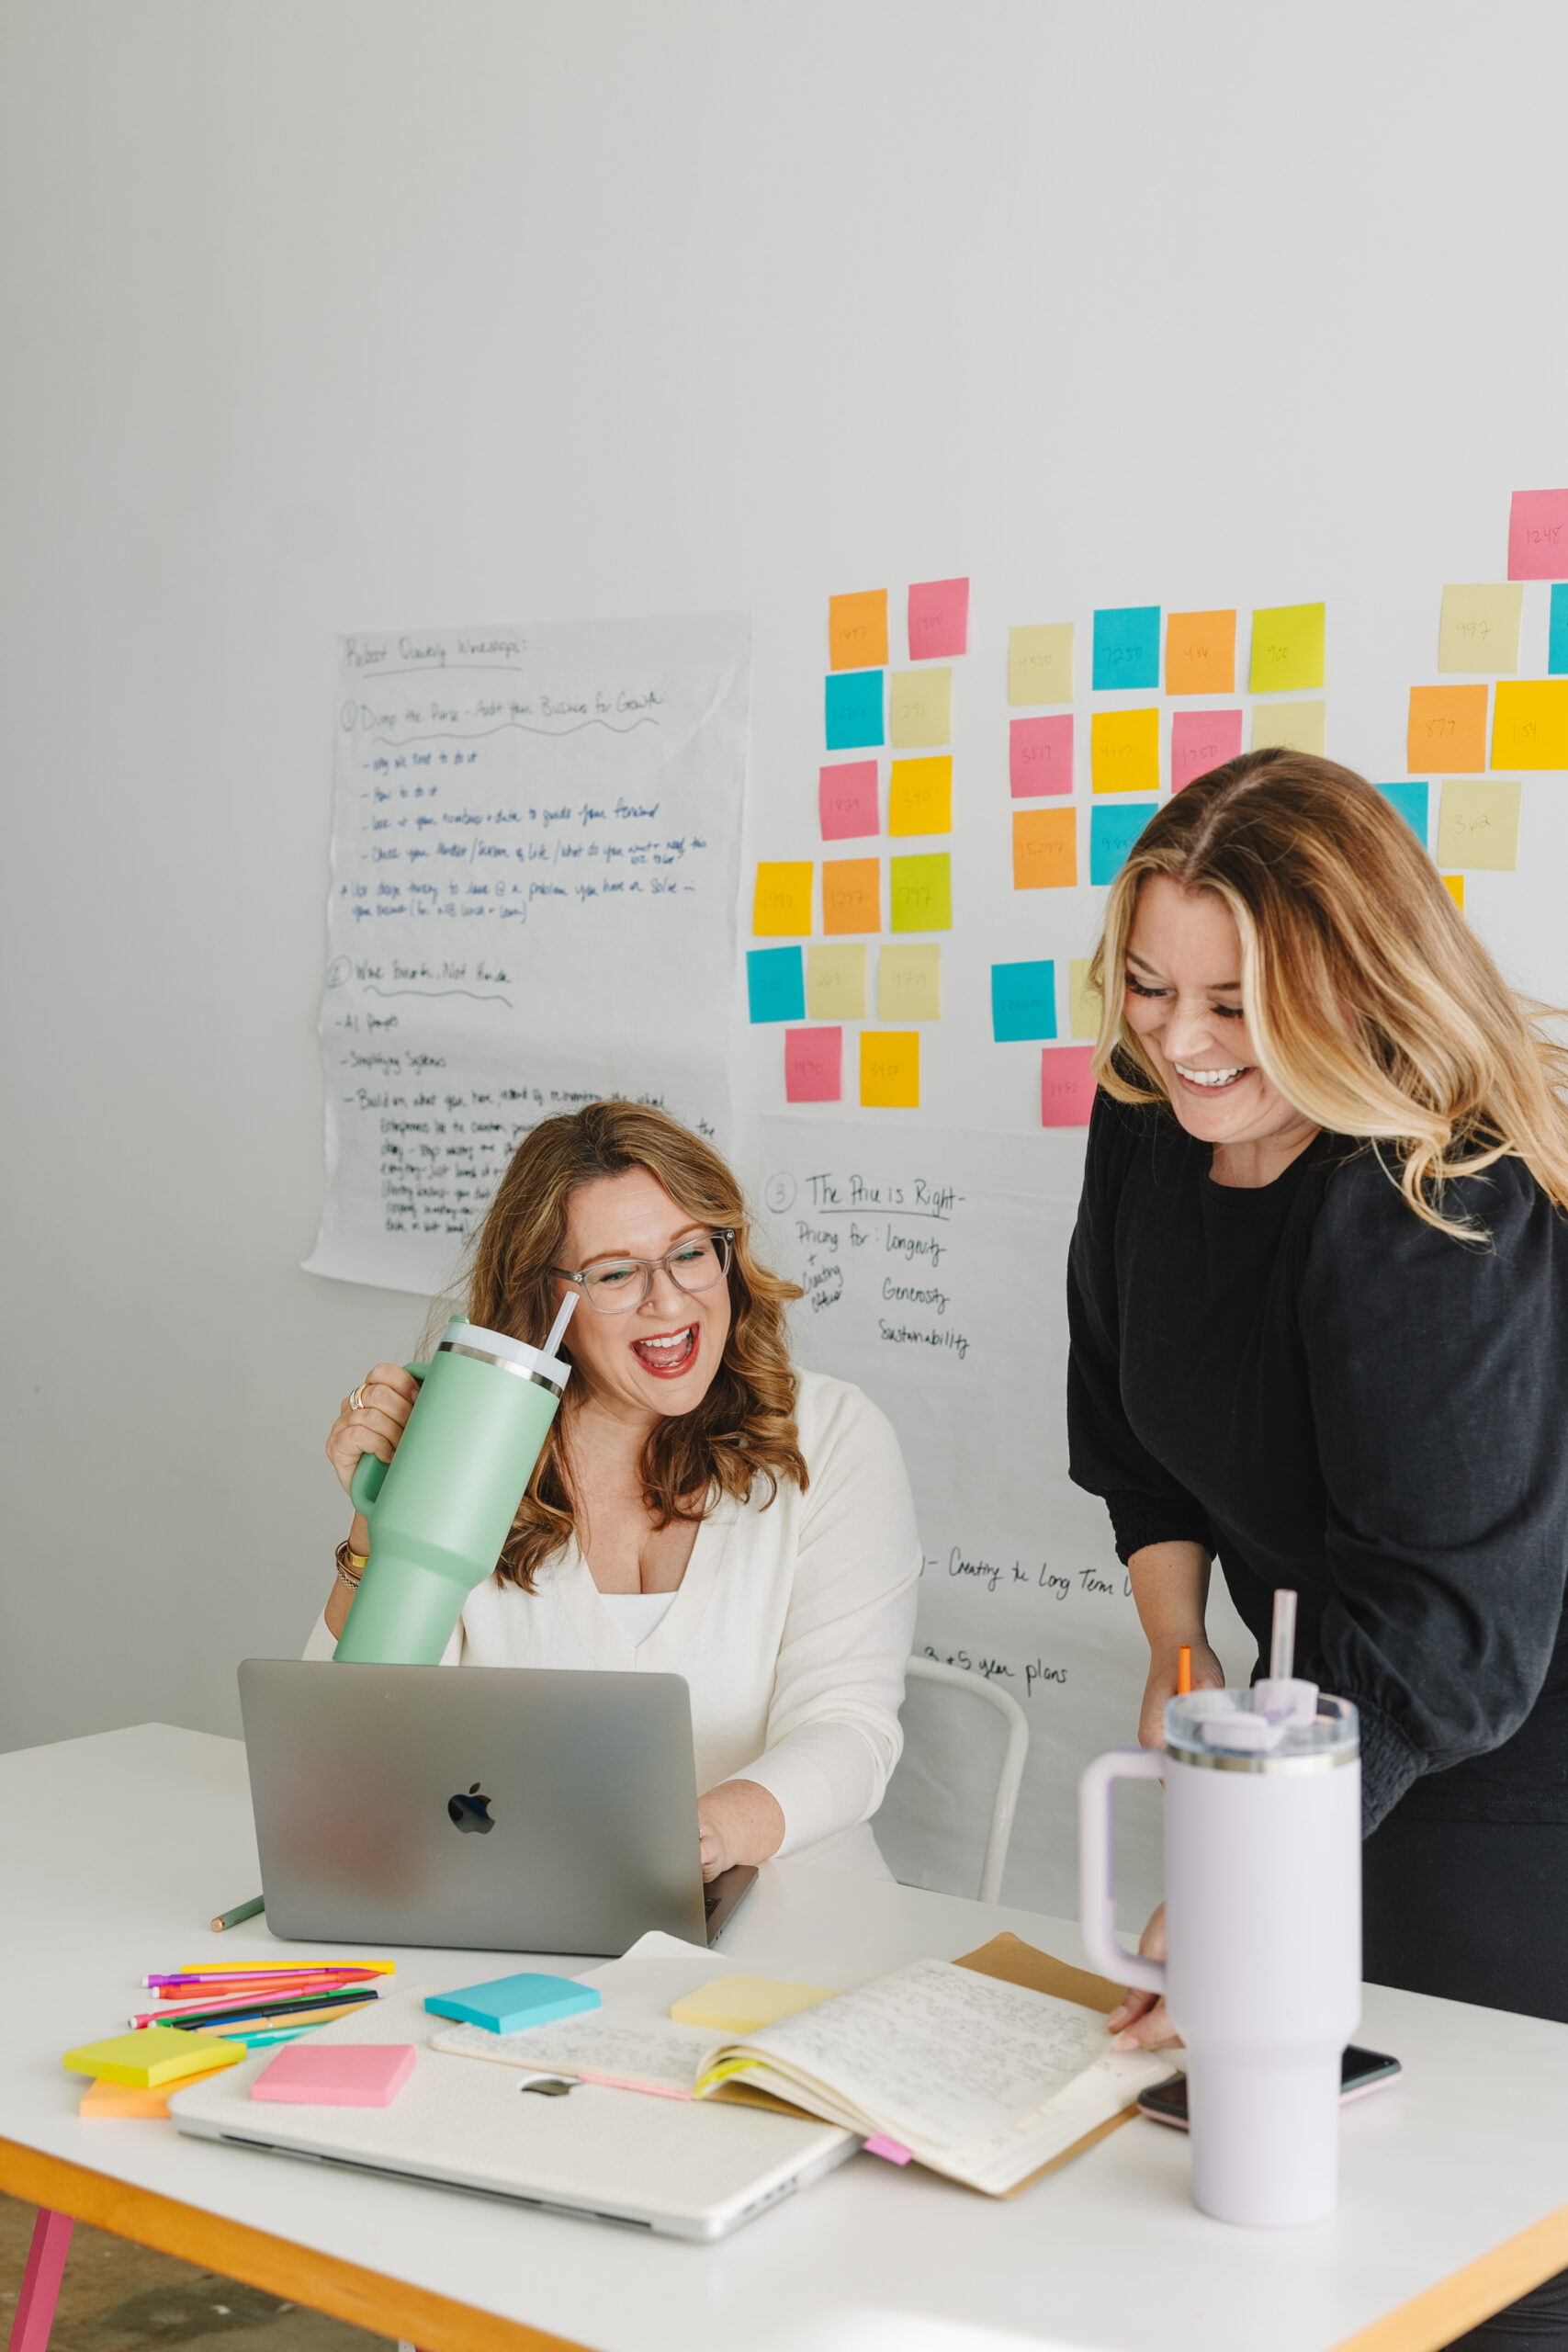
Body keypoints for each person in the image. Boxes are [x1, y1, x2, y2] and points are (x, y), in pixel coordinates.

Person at [1066, 751, 1568, 2348]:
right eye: (1151, 989)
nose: (1185, 1042)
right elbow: (1127, 1412)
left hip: (1509, 1783)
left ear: (1352, 984)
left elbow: (1446, 1634)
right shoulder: (1150, 1112)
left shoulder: (1437, 1190)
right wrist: (1177, 1646)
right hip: (1321, 1743)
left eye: (1237, 1004)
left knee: (1457, 2264)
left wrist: (1242, 1878)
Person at [314, 1101, 921, 1882]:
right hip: (520, 1895)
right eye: (614, 1274)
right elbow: (350, 1750)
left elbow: (848, 1727)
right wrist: (380, 1531)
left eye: (690, 1254)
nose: (667, 1301)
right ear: (547, 1301)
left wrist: (693, 1840)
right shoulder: (476, 1446)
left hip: (786, 1909)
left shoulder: (832, 1434)